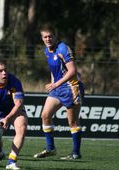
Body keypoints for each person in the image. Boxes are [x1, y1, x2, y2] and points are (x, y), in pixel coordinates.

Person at [33, 24, 84, 160]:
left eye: (50, 36)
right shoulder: (47, 50)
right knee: (45, 115)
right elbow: (54, 70)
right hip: (58, 88)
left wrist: (56, 83)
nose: (48, 39)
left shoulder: (63, 49)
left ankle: (75, 153)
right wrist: (53, 83)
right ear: (42, 38)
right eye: (45, 37)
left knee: (72, 122)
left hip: (71, 88)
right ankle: (50, 148)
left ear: (55, 36)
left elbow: (72, 71)